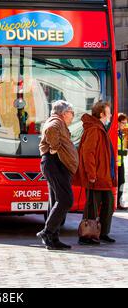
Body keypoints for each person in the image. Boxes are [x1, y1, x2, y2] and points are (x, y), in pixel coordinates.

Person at [73, 101, 117, 245]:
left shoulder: (100, 128)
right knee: (92, 205)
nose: (110, 115)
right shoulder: (94, 129)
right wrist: (91, 174)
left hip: (104, 176)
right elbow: (88, 153)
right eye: (108, 112)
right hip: (96, 176)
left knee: (108, 203)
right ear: (101, 114)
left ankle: (102, 232)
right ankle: (86, 235)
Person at [37, 100, 79, 251]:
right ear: (64, 113)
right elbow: (50, 130)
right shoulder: (56, 121)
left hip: (56, 164)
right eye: (71, 113)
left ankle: (53, 239)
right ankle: (47, 232)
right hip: (54, 163)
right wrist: (54, 148)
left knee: (55, 200)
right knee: (66, 200)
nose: (72, 116)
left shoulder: (59, 122)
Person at [117, 113, 128, 210]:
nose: (125, 125)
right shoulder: (115, 133)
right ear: (118, 122)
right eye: (123, 123)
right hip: (116, 162)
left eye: (126, 123)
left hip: (121, 162)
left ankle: (119, 202)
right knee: (117, 182)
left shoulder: (122, 133)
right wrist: (122, 152)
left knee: (122, 181)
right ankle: (116, 203)